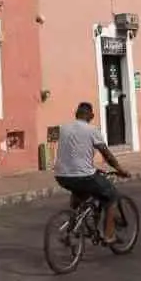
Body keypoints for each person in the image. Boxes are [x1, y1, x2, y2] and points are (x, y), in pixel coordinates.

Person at [53, 102, 130, 243]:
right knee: (112, 196)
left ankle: (71, 226)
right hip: (83, 176)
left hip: (61, 175)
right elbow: (107, 155)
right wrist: (120, 169)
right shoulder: (92, 130)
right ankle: (109, 235)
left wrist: (92, 167)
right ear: (91, 116)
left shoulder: (63, 128)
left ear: (76, 114)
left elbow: (74, 153)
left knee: (79, 193)